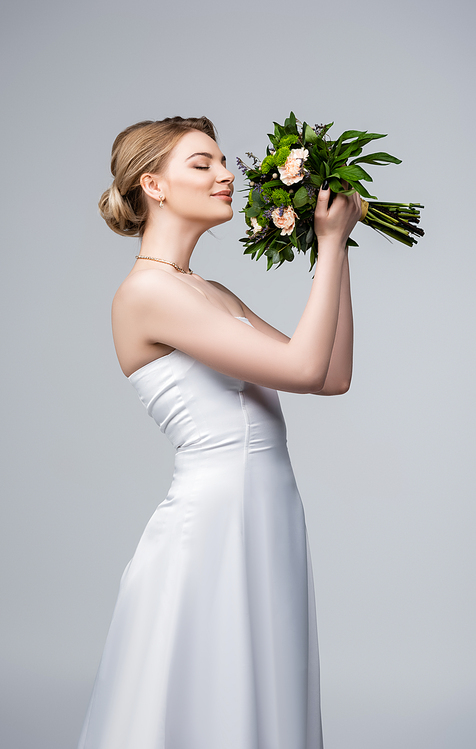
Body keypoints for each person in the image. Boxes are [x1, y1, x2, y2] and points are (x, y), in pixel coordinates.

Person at [78, 116, 361, 749]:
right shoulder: (148, 292)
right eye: (202, 164)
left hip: (267, 510)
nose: (227, 176)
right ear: (153, 184)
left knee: (263, 688)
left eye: (223, 161)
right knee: (210, 696)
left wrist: (334, 250)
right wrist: (332, 245)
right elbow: (304, 366)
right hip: (215, 522)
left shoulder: (207, 290)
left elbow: (331, 375)